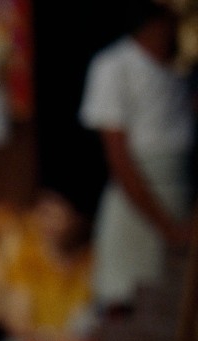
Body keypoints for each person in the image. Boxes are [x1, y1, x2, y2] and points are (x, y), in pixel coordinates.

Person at [79, 1, 193, 315]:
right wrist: (167, 227)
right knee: (124, 300)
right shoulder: (114, 65)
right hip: (137, 201)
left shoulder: (179, 70)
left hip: (177, 197)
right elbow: (120, 159)